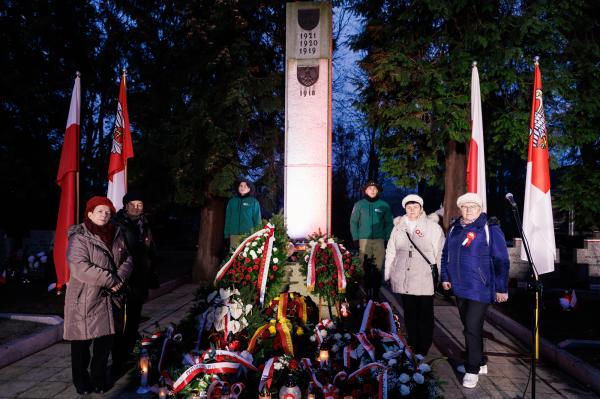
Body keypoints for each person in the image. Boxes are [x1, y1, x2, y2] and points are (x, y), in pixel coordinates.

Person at [63, 196, 132, 394]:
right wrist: (112, 280)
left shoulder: (116, 234)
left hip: (110, 301)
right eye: (99, 211)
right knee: (81, 347)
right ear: (90, 213)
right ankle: (81, 383)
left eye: (107, 212)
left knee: (103, 346)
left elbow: (127, 259)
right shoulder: (79, 238)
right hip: (85, 300)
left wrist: (119, 278)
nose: (104, 215)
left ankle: (99, 380)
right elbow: (80, 268)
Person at [440, 193, 510, 389]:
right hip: (460, 288)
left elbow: (501, 260)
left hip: (481, 288)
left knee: (471, 327)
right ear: (460, 208)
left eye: (473, 206)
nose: (469, 210)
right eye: (465, 206)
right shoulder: (454, 228)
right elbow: (446, 254)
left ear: (480, 209)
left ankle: (472, 370)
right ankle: (480, 362)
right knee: (471, 328)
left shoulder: (489, 228)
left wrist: (501, 288)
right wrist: (445, 277)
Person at [384, 194, 445, 356]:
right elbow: (391, 251)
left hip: (423, 276)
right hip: (403, 275)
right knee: (409, 313)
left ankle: (424, 346)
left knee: (425, 312)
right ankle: (412, 343)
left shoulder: (432, 227)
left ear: (421, 208)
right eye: (409, 207)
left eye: (415, 207)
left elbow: (440, 252)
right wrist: (388, 273)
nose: (412, 210)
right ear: (405, 208)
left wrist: (443, 275)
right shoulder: (398, 227)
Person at [110, 191, 158, 377]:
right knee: (118, 324)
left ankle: (128, 354)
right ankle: (117, 361)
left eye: (140, 204)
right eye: (133, 204)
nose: (137, 208)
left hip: (140, 279)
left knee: (133, 322)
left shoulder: (144, 223)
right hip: (123, 280)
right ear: (125, 205)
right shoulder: (117, 224)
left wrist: (152, 272)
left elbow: (151, 248)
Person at [350, 181, 393, 272]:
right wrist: (355, 238)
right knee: (364, 265)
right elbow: (353, 222)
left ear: (378, 191)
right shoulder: (359, 205)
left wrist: (387, 238)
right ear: (365, 191)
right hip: (364, 240)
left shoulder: (384, 205)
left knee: (378, 264)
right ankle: (365, 285)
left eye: (374, 189)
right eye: (369, 188)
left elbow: (389, 223)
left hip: (380, 240)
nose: (372, 190)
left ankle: (376, 285)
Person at [224, 179, 261, 249]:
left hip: (248, 236)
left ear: (249, 189)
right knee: (234, 258)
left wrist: (258, 235)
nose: (242, 188)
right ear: (238, 188)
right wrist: (226, 235)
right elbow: (228, 218)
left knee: (247, 258)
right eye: (241, 186)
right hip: (233, 235)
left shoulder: (254, 202)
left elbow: (257, 220)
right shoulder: (232, 201)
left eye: (245, 186)